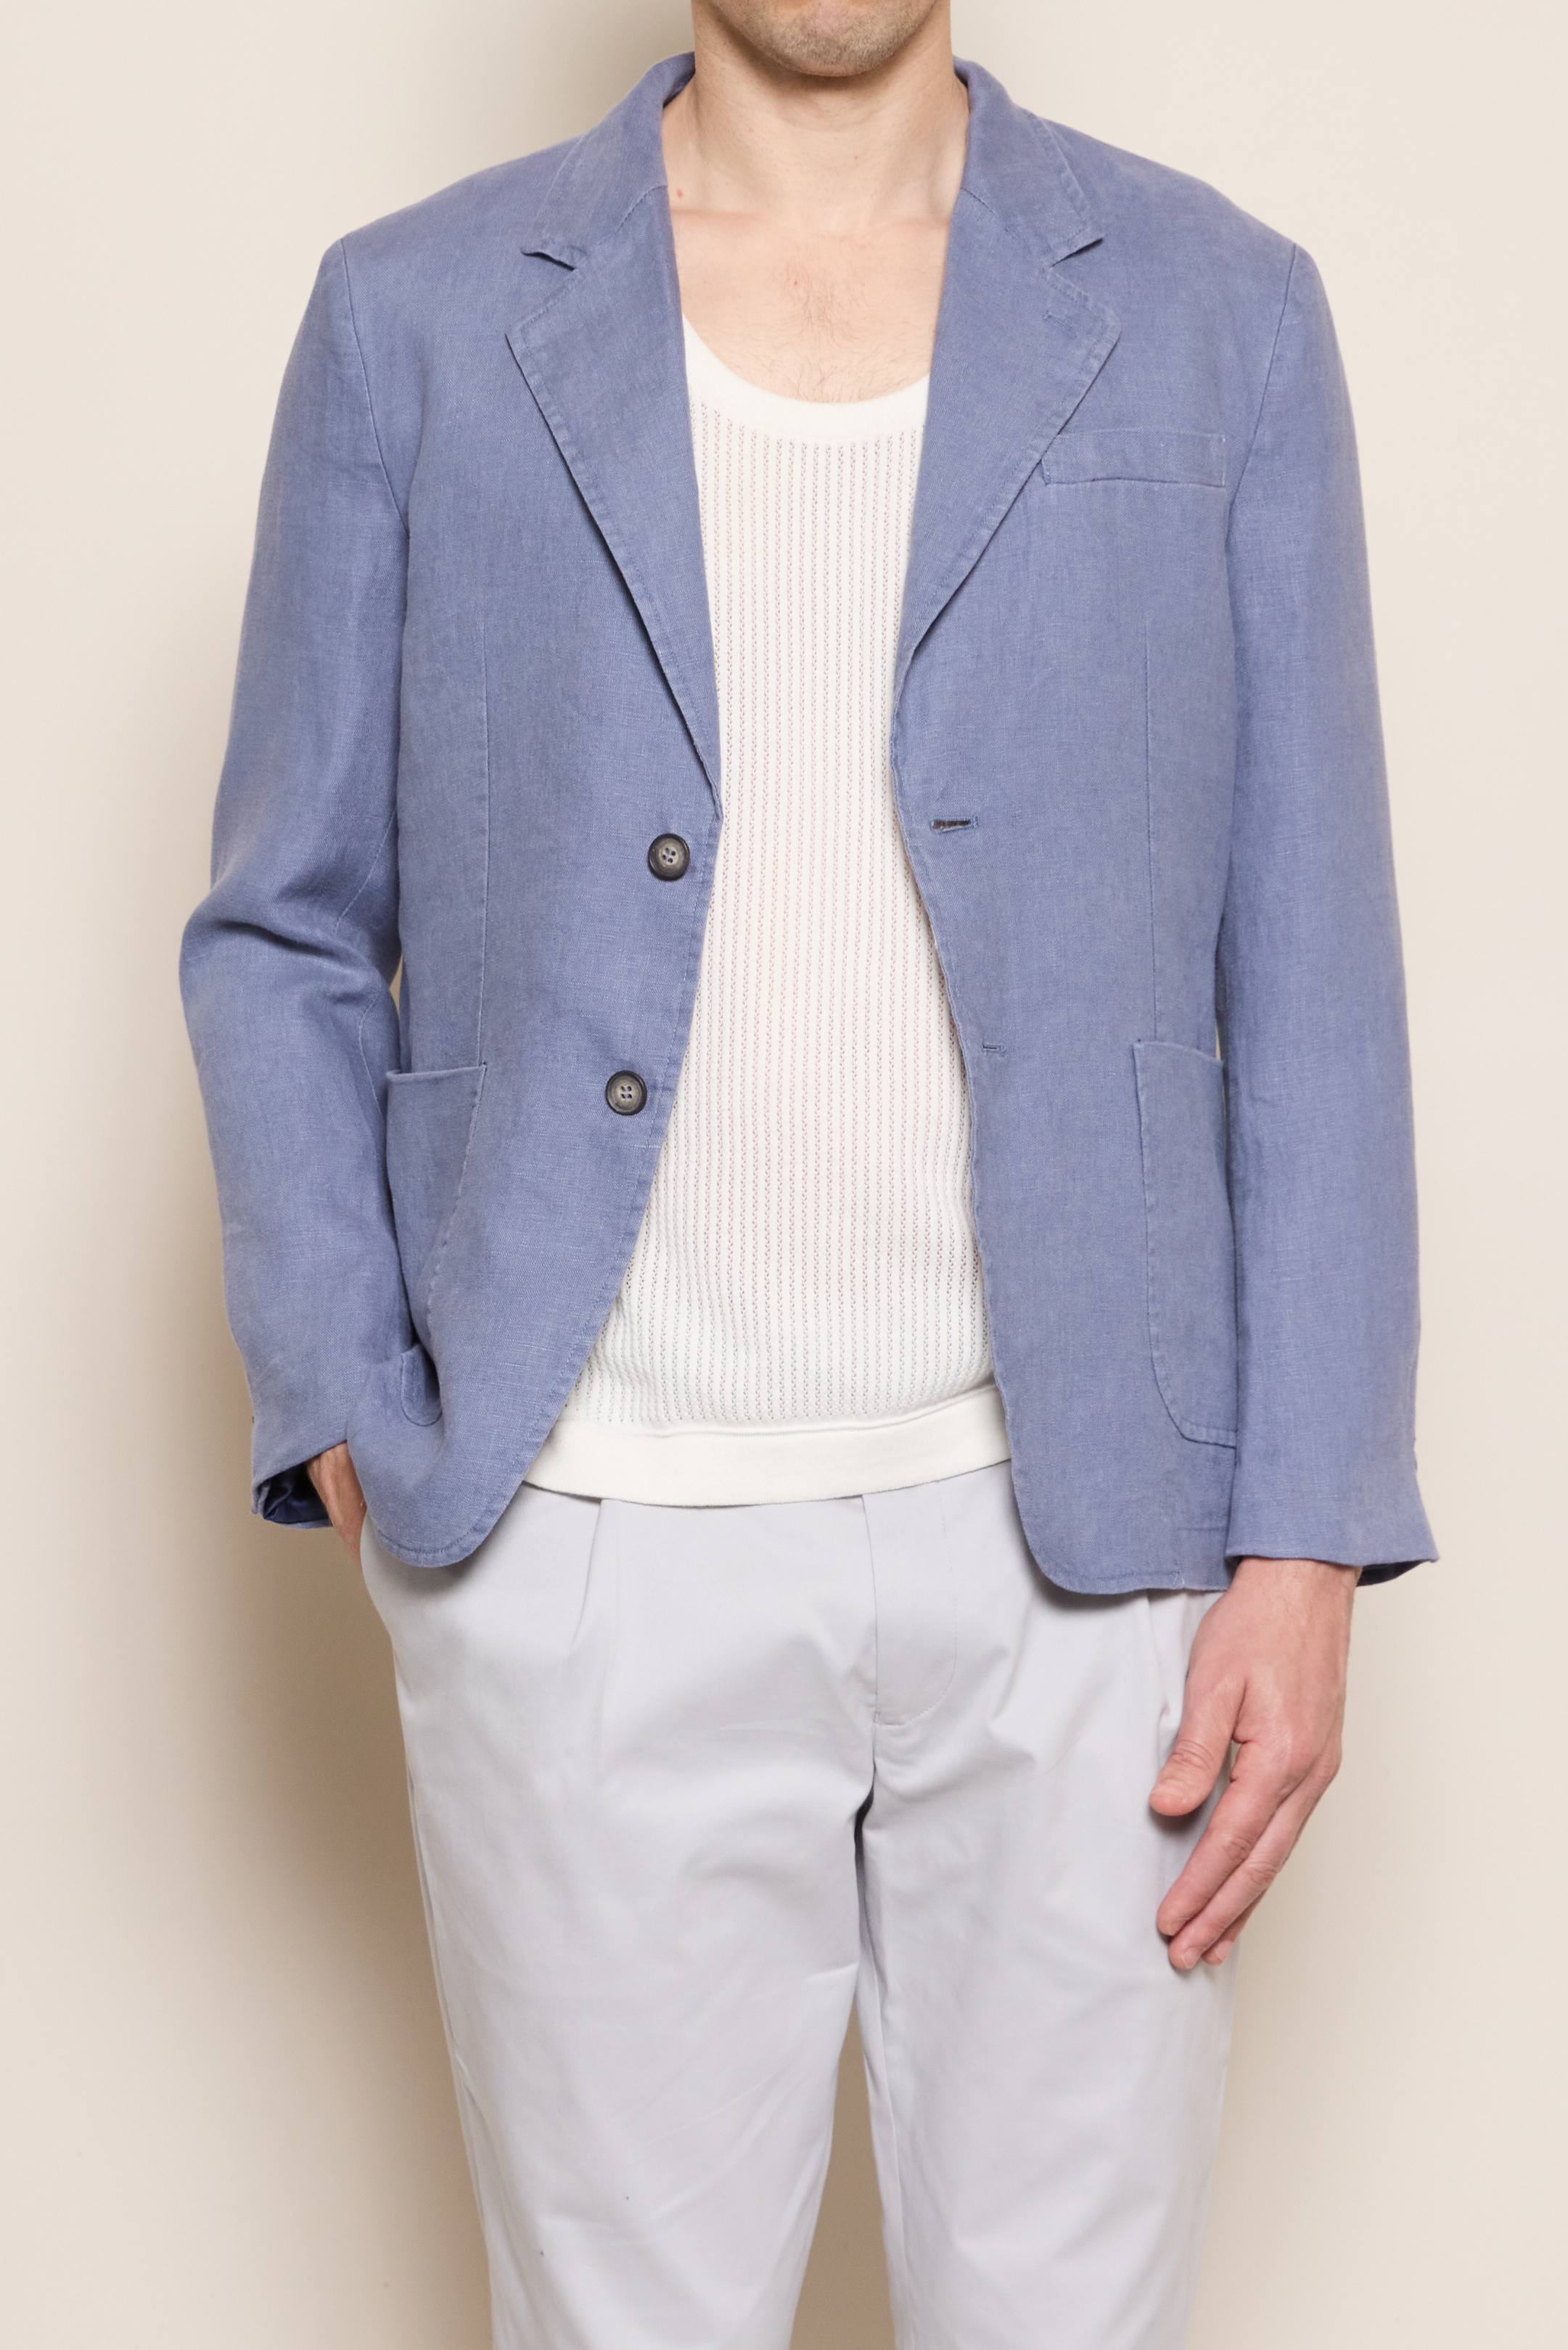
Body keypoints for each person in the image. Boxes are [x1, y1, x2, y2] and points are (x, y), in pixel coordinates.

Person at [181, 4, 1435, 2343]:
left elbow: (1312, 953)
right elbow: (283, 926)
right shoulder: (412, 317)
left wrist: (1304, 1541)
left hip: (1098, 1571)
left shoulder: (1219, 310)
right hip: (584, 1539)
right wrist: (348, 1390)